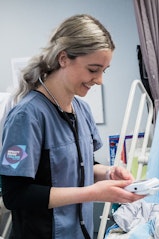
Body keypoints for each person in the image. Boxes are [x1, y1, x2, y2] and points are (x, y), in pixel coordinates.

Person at [0, 14, 144, 239]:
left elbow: (81, 164)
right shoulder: (27, 116)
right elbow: (15, 194)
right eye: (93, 69)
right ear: (64, 58)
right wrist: (90, 193)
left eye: (103, 71)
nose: (99, 80)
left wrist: (108, 173)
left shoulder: (82, 109)